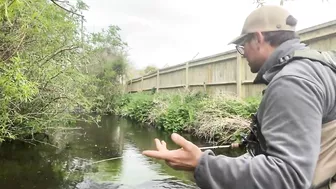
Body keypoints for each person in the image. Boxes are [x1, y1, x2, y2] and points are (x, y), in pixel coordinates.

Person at [142, 5, 336, 189]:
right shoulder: (320, 65)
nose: (242, 54)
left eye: (243, 45)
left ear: (259, 38)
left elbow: (287, 177)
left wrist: (200, 164)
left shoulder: (292, 82)